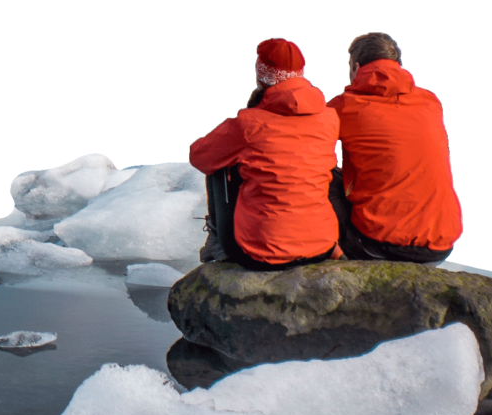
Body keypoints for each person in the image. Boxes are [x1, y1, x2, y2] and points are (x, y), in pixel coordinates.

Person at [190, 38, 342, 270]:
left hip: (262, 253)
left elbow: (198, 156)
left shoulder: (248, 124)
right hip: (320, 247)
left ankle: (217, 243)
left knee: (217, 164)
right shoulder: (329, 117)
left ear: (261, 74)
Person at [326, 32, 462, 263]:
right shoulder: (431, 102)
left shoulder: (343, 107)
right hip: (441, 245)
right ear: (398, 66)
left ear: (356, 68)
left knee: (312, 174)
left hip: (379, 245)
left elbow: (305, 151)